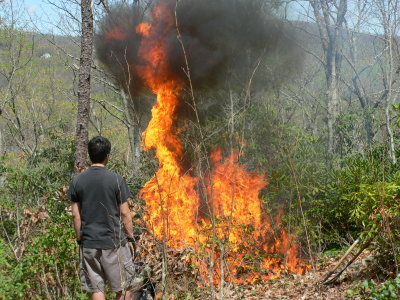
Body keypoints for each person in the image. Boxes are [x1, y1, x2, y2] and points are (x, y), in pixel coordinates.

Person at [68, 136, 135, 300]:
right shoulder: (117, 180)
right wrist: (131, 237)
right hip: (113, 242)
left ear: (90, 155)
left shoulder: (77, 180)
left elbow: (76, 214)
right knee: (124, 286)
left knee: (96, 288)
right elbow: (125, 213)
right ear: (107, 156)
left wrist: (79, 238)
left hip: (89, 242)